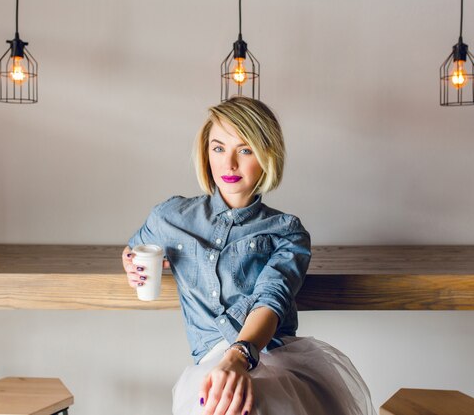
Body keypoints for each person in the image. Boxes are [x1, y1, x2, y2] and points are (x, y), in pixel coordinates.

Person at [122, 97, 375, 415]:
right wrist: (131, 265)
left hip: (272, 356)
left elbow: (272, 299)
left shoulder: (287, 231)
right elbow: (135, 248)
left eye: (245, 149)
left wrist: (238, 356)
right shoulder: (170, 217)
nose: (229, 164)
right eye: (218, 148)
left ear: (268, 155)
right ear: (205, 152)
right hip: (210, 362)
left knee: (251, 403)